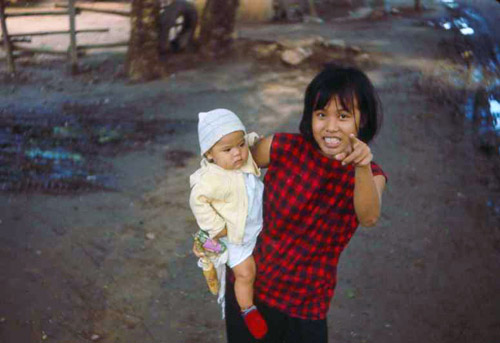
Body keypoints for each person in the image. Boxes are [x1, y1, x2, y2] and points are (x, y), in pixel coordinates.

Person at [194, 65, 387, 342]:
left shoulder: (371, 175)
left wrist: (362, 166)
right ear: (310, 116)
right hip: (251, 288)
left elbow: (369, 217)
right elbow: (231, 162)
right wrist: (210, 224)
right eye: (322, 115)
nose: (331, 126)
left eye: (343, 116)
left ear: (363, 118)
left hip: (305, 304)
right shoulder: (284, 148)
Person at [189, 108, 268, 339]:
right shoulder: (210, 179)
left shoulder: (243, 158)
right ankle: (247, 309)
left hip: (253, 224)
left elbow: (248, 141)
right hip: (234, 235)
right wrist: (215, 227)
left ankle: (207, 244)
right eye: (228, 149)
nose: (238, 154)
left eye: (240, 145)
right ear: (209, 154)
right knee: (246, 273)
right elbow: (198, 201)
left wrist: (252, 140)